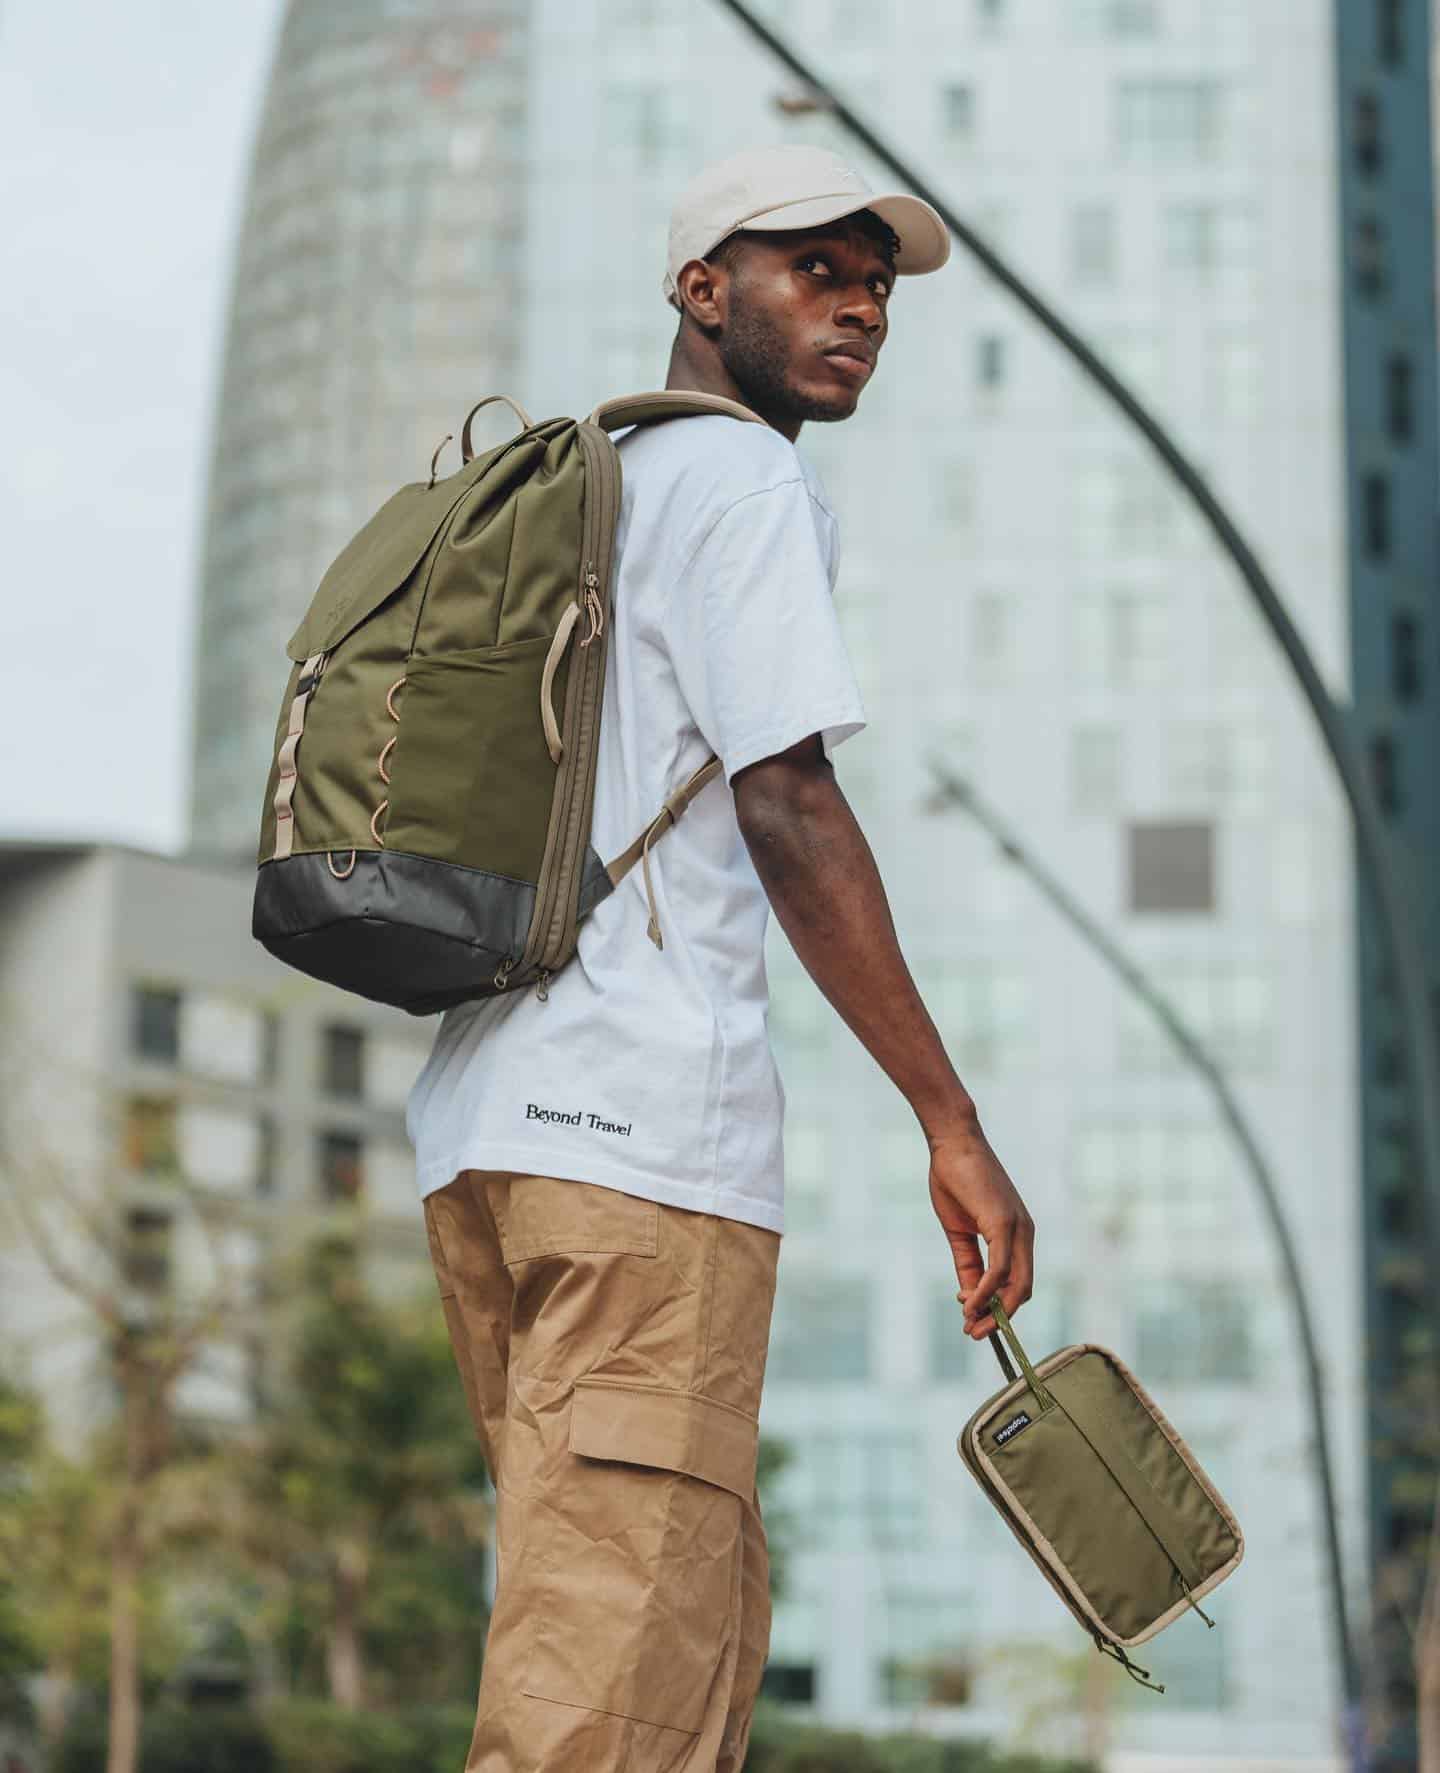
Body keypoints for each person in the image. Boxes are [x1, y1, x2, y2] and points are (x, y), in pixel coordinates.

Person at [406, 143, 1036, 1773]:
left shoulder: (577, 495)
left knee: (674, 1644)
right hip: (641, 1152)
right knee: (607, 1699)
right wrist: (951, 1122)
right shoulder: (743, 484)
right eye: (815, 271)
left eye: (876, 286)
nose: (859, 308)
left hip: (492, 1137)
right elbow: (791, 800)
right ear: (701, 293)